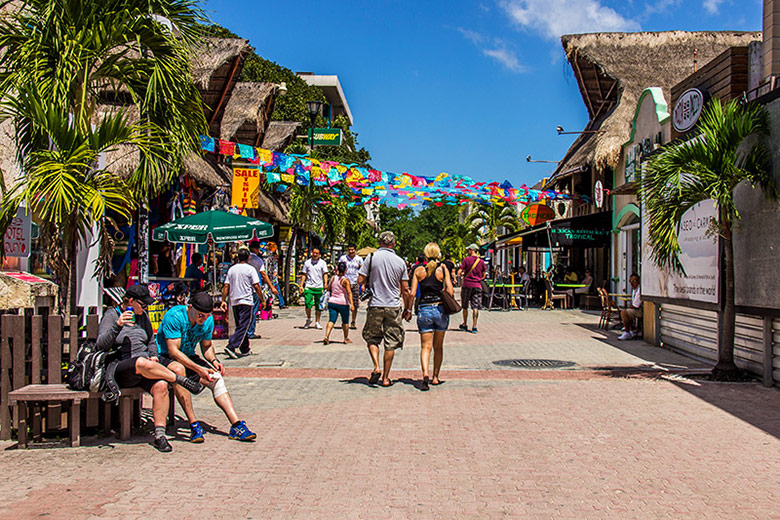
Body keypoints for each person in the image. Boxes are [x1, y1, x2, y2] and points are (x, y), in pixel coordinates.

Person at [96, 284, 204, 452]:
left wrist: (153, 354)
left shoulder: (142, 316)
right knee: (141, 362)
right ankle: (181, 381)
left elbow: (151, 342)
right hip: (123, 367)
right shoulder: (112, 315)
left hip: (147, 365)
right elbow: (101, 345)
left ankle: (160, 436)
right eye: (143, 304)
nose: (145, 308)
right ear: (131, 301)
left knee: (164, 381)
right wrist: (118, 324)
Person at [156, 291, 256, 442]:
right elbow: (173, 352)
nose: (203, 318)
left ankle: (236, 425)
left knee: (216, 378)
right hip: (165, 357)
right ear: (190, 308)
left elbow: (207, 346)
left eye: (207, 315)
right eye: (200, 315)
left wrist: (214, 361)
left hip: (188, 356)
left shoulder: (208, 321)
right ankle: (194, 425)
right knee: (179, 370)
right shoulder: (175, 316)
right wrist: (199, 369)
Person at [357, 231, 410, 387]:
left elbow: (360, 280)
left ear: (379, 243)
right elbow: (406, 289)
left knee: (371, 338)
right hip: (393, 306)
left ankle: (376, 366)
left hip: (375, 305)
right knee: (391, 342)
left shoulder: (371, 258)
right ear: (393, 244)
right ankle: (386, 378)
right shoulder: (400, 262)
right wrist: (408, 309)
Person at [406, 243, 454, 391]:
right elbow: (451, 292)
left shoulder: (418, 270)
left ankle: (425, 374)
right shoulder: (442, 269)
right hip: (440, 309)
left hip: (424, 310)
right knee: (438, 347)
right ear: (438, 254)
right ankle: (435, 377)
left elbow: (412, 293)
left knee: (425, 347)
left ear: (425, 255)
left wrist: (408, 309)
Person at [222, 247, 265, 358]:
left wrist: (223, 300)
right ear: (248, 257)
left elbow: (226, 286)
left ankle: (245, 348)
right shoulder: (250, 269)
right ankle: (231, 346)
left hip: (234, 301)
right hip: (246, 301)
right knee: (243, 326)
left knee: (241, 325)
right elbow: (256, 285)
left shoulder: (232, 269)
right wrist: (262, 299)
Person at [247, 240, 279, 339]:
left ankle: (243, 331)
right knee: (253, 311)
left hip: (243, 288)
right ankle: (250, 332)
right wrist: (272, 287)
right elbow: (264, 275)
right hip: (254, 288)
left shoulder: (244, 258)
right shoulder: (257, 260)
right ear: (257, 249)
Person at [323, 261, 355, 345]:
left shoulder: (333, 278)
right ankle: (345, 338)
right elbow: (349, 293)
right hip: (343, 303)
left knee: (331, 320)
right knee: (345, 322)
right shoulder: (345, 281)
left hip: (332, 302)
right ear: (345, 270)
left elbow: (329, 289)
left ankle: (326, 336)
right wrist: (352, 304)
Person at [457, 244, 486, 334]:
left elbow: (459, 272)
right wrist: (478, 279)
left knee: (465, 305)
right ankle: (474, 326)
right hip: (477, 285)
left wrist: (462, 275)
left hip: (467, 285)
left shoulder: (466, 260)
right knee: (475, 306)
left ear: (471, 250)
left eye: (468, 250)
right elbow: (484, 274)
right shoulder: (481, 262)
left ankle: (465, 324)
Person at [300, 248, 329, 329]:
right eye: (314, 253)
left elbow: (325, 273)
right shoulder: (307, 263)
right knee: (307, 303)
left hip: (319, 286)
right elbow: (304, 274)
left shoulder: (322, 263)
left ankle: (317, 322)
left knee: (318, 305)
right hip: (309, 286)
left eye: (317, 253)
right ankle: (309, 318)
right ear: (311, 253)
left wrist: (325, 283)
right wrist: (301, 285)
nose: (315, 254)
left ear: (319, 254)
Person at [338, 244, 364, 329]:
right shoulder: (343, 258)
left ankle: (353, 321)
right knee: (344, 303)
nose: (351, 251)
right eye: (349, 249)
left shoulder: (359, 259)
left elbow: (363, 272)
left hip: (355, 283)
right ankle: (345, 321)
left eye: (352, 250)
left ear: (355, 250)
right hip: (344, 283)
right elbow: (338, 270)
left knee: (355, 303)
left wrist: (363, 284)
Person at [619, 274, 642, 340]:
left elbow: (636, 305)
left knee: (624, 313)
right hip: (636, 308)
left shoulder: (640, 290)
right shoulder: (634, 290)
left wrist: (629, 307)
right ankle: (630, 330)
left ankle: (627, 332)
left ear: (638, 281)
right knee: (626, 312)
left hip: (640, 310)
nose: (632, 283)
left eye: (634, 281)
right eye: (630, 281)